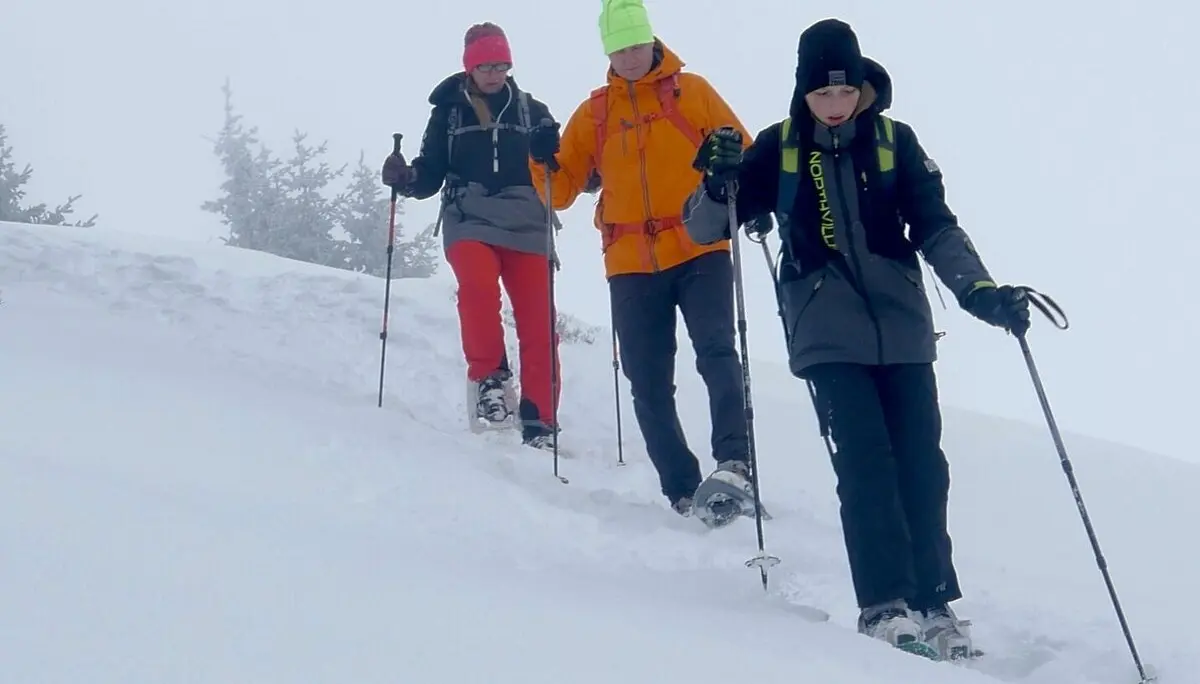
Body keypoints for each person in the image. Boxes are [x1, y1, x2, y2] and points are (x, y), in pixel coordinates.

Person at [681, 18, 1031, 660]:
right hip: (825, 334)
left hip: (902, 330)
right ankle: (883, 606)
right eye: (822, 95)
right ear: (803, 93)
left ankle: (934, 602)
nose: (836, 106)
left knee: (924, 467)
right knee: (866, 465)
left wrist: (980, 292)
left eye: (845, 93)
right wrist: (713, 179)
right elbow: (708, 225)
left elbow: (937, 228)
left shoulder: (896, 143)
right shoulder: (778, 147)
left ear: (862, 86)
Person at [524, 0, 768, 528]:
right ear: (607, 51)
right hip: (630, 261)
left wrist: (730, 167)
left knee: (718, 354)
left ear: (652, 41)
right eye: (619, 48)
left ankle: (735, 466)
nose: (630, 58)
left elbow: (744, 156)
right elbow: (559, 192)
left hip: (700, 247)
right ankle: (681, 490)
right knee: (647, 379)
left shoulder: (693, 91)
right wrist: (540, 156)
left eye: (636, 45)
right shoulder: (594, 113)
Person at [381, 22, 562, 452]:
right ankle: (491, 383)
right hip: (469, 214)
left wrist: (562, 159)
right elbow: (430, 173)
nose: (494, 73)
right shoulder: (448, 112)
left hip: (527, 220)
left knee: (539, 320)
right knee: (478, 288)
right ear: (469, 66)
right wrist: (407, 179)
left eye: (501, 64)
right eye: (485, 65)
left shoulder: (533, 111)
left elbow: (558, 170)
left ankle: (541, 418)